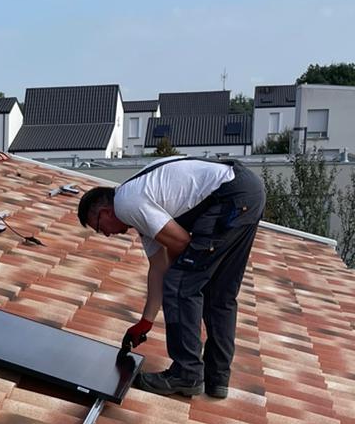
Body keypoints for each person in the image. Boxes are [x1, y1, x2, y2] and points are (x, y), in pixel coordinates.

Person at [77, 157, 265, 399]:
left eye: (99, 227)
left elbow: (180, 243)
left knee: (180, 283)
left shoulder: (127, 203)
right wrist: (145, 322)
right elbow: (158, 267)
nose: (105, 235)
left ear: (104, 211)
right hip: (246, 192)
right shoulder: (140, 206)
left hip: (229, 198)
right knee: (219, 294)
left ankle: (186, 374)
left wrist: (187, 277)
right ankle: (217, 378)